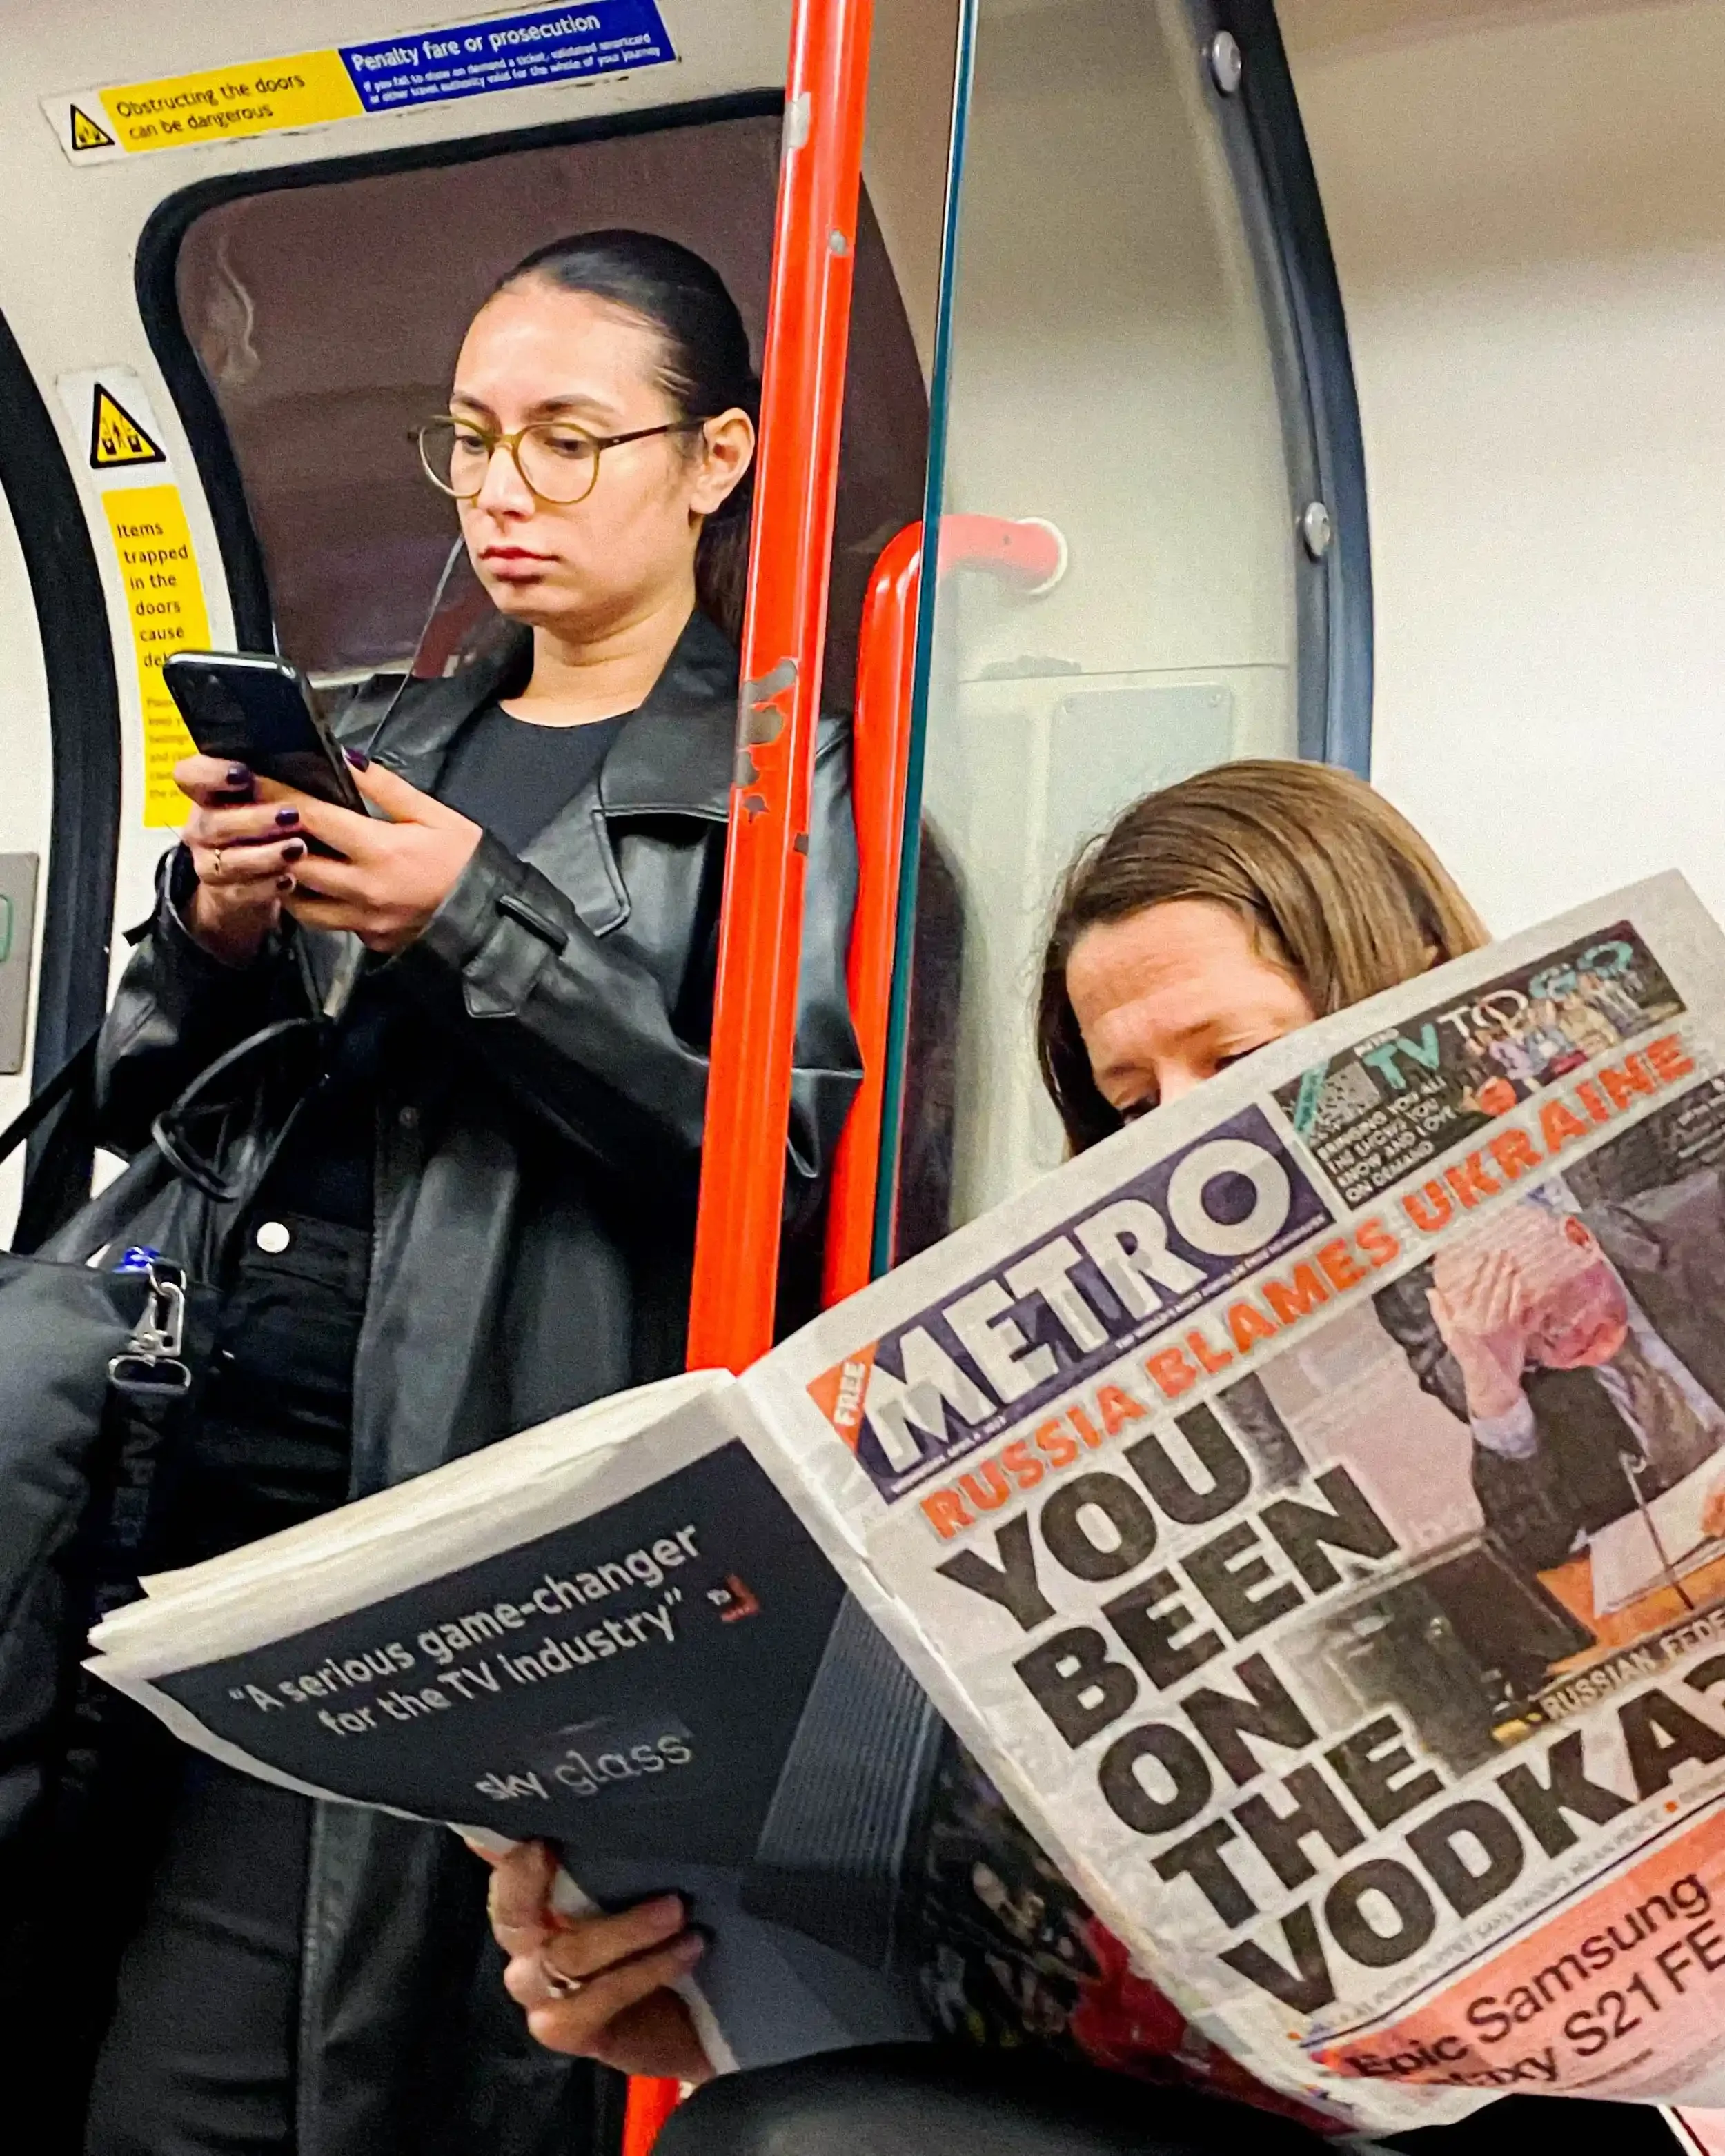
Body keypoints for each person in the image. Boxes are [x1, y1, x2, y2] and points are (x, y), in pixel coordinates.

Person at [478, 760, 1677, 2156]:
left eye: (1231, 1062)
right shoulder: (1111, 1394)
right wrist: (702, 1996)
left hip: (1585, 2090)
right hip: (1240, 2089)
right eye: (1125, 1098)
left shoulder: (1632, 1225)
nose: (1175, 1132)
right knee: (770, 2127)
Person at [54, 229, 860, 2156]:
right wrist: (220, 932)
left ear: (717, 458)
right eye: (472, 438)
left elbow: (804, 1171)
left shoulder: (790, 788)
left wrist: (474, 928)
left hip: (478, 1578)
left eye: (571, 438)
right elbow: (154, 1106)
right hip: (213, 1543)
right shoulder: (385, 737)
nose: (504, 490)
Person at [1374, 1181, 1725, 1579]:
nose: (1566, 1342)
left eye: (1562, 1306)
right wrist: (1496, 1395)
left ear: (1579, 1240)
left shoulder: (1707, 1222)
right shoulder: (1520, 1371)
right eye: (1533, 1335)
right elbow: (1539, 1547)